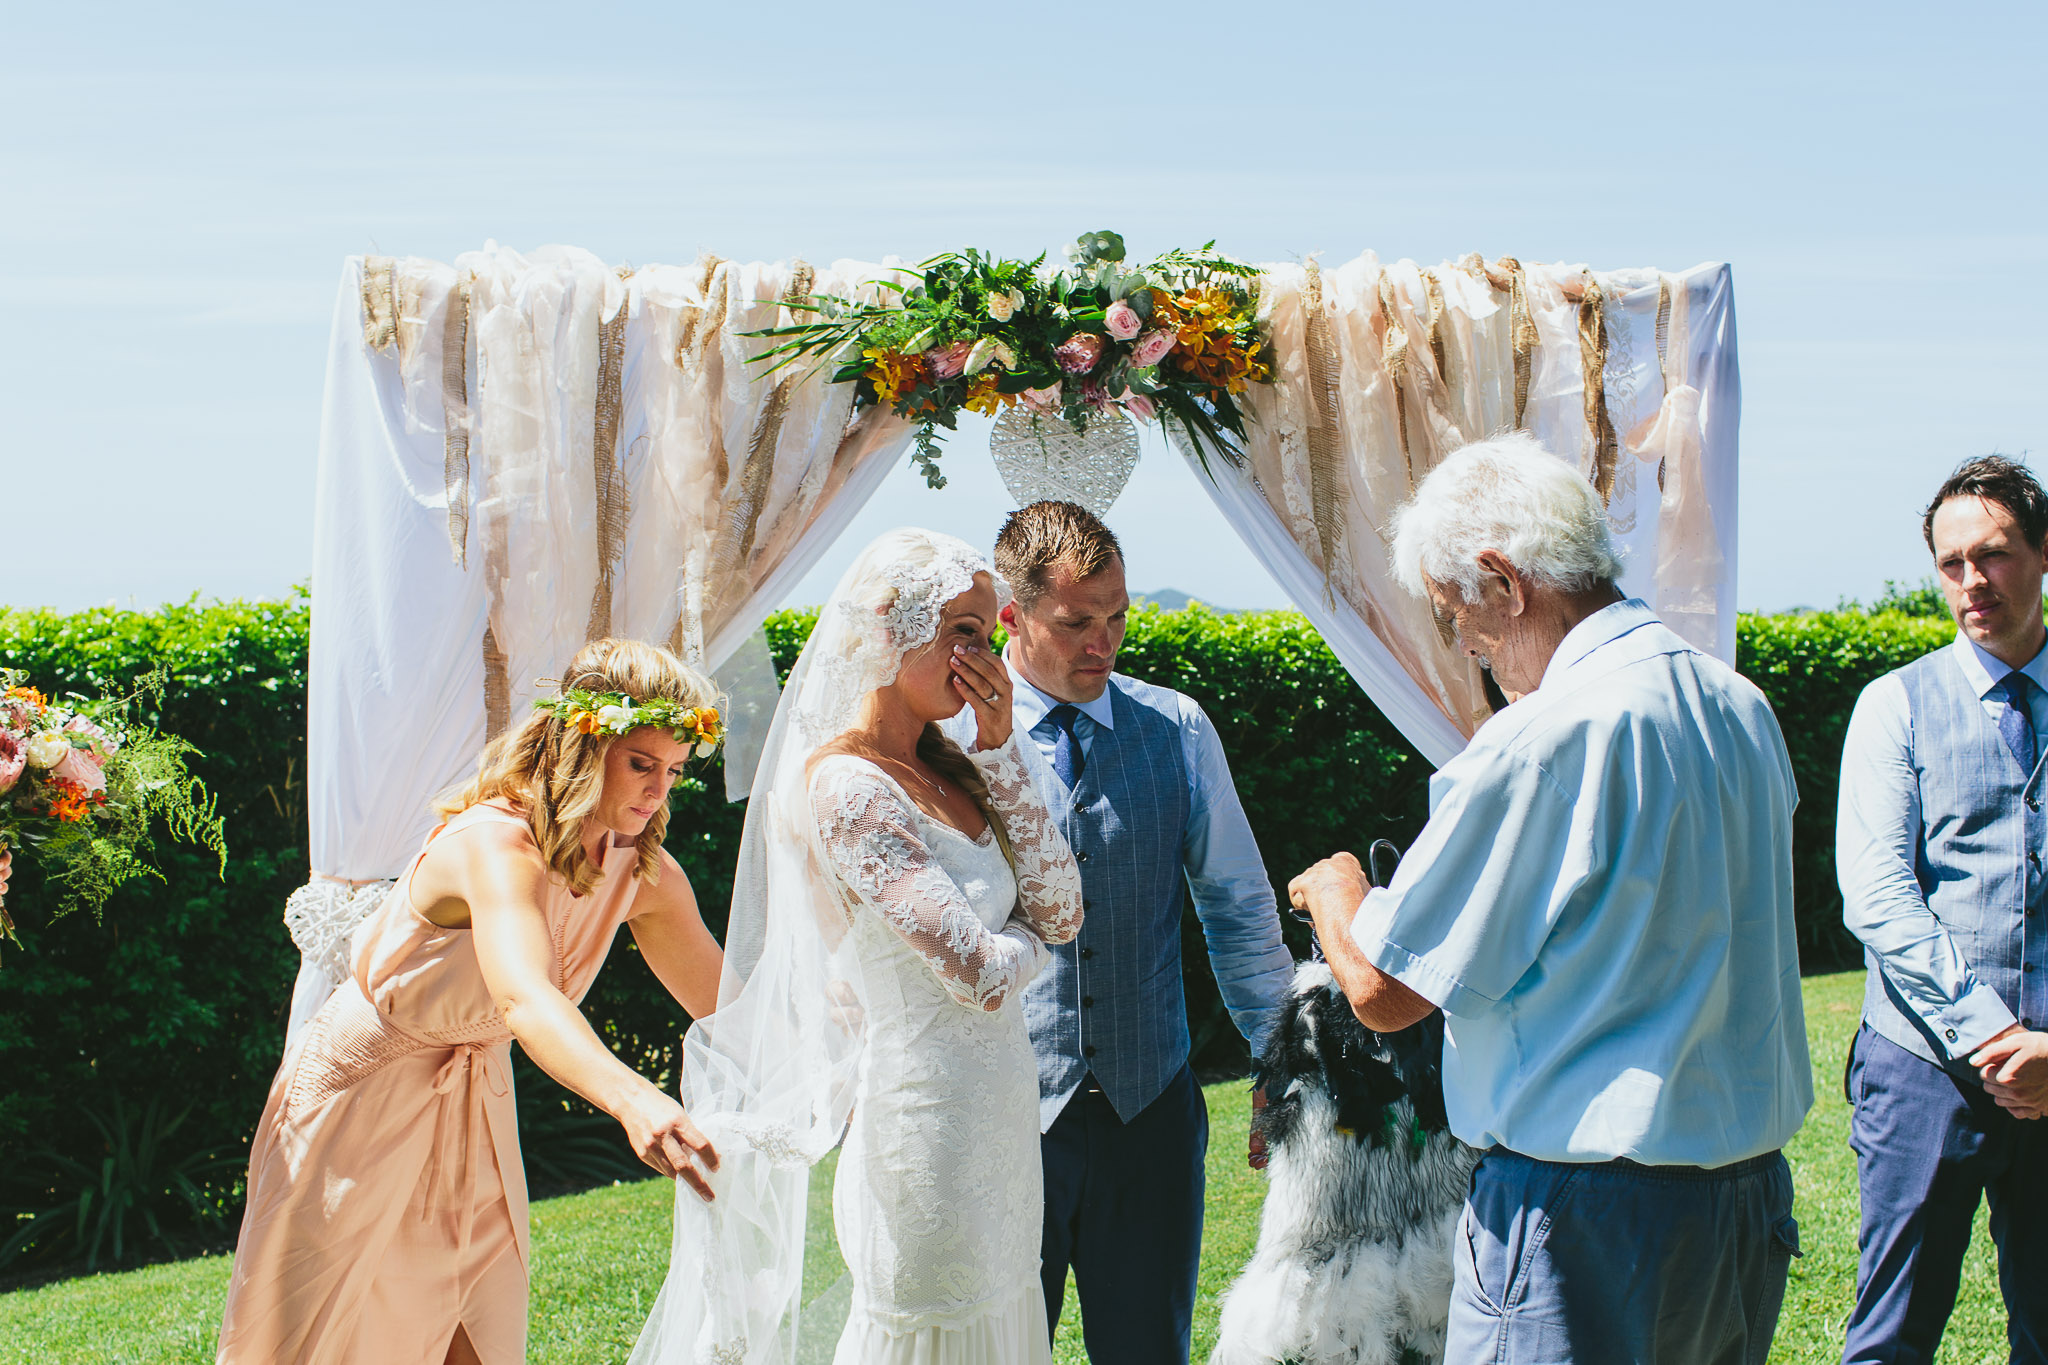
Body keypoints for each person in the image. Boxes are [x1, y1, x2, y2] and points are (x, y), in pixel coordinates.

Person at [1289, 432, 1812, 1364]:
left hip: (1586, 1216)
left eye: (1457, 612)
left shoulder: (1541, 738)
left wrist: (1339, 888)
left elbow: (1388, 988)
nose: (1466, 642)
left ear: (1505, 579)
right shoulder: (1738, 704)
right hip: (1740, 1200)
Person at [629, 528, 1082, 1365]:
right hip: (926, 1129)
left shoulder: (955, 768)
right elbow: (982, 973)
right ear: (888, 629)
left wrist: (1002, 744)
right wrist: (1032, 947)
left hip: (1002, 1122)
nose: (981, 656)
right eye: (962, 632)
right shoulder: (847, 786)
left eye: (989, 634)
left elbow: (1063, 905)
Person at [217, 638, 728, 1365]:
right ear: (580, 745)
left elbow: (726, 1004)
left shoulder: (640, 868)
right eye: (640, 763)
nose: (657, 790)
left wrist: (847, 1052)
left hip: (475, 1105)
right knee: (317, 1339)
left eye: (673, 771)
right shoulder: (494, 844)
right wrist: (632, 1098)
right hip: (359, 1103)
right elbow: (524, 995)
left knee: (475, 1335)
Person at [988, 500, 1294, 1365]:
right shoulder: (955, 741)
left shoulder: (1180, 728)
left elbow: (1238, 905)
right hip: (1005, 1115)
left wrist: (1277, 1055)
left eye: (1118, 616)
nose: (1104, 642)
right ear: (1014, 617)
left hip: (1150, 1112)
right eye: (1077, 621)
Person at [1837, 455, 2048, 1364]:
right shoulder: (1896, 705)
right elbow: (1878, 894)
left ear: (2042, 555)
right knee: (1891, 1335)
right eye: (1951, 561)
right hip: (1926, 1066)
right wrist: (1994, 1034)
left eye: (1993, 554)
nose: (1971, 581)